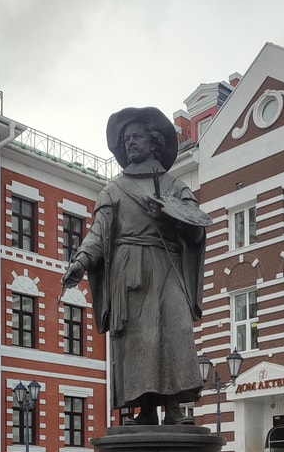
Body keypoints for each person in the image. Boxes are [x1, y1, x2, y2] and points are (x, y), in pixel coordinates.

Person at [61, 106, 208, 426]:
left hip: (166, 264)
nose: (129, 143)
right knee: (140, 339)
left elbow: (197, 229)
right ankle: (146, 410)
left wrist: (171, 216)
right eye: (126, 139)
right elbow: (98, 232)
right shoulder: (113, 189)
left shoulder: (175, 186)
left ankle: (174, 408)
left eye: (136, 137)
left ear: (154, 142)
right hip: (129, 272)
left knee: (175, 329)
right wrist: (81, 261)